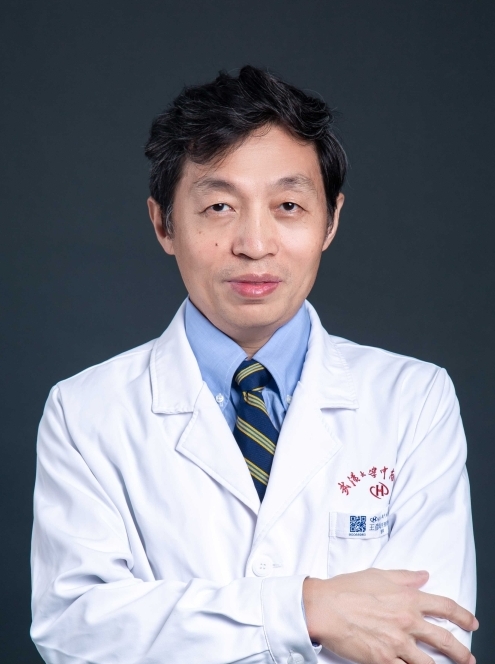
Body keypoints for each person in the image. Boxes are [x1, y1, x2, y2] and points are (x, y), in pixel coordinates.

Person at [31, 66, 477, 664]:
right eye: (219, 206)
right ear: (164, 223)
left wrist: (183, 628)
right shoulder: (85, 412)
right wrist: (304, 610)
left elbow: (433, 641)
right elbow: (75, 632)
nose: (255, 243)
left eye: (289, 205)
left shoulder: (415, 400)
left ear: (331, 220)